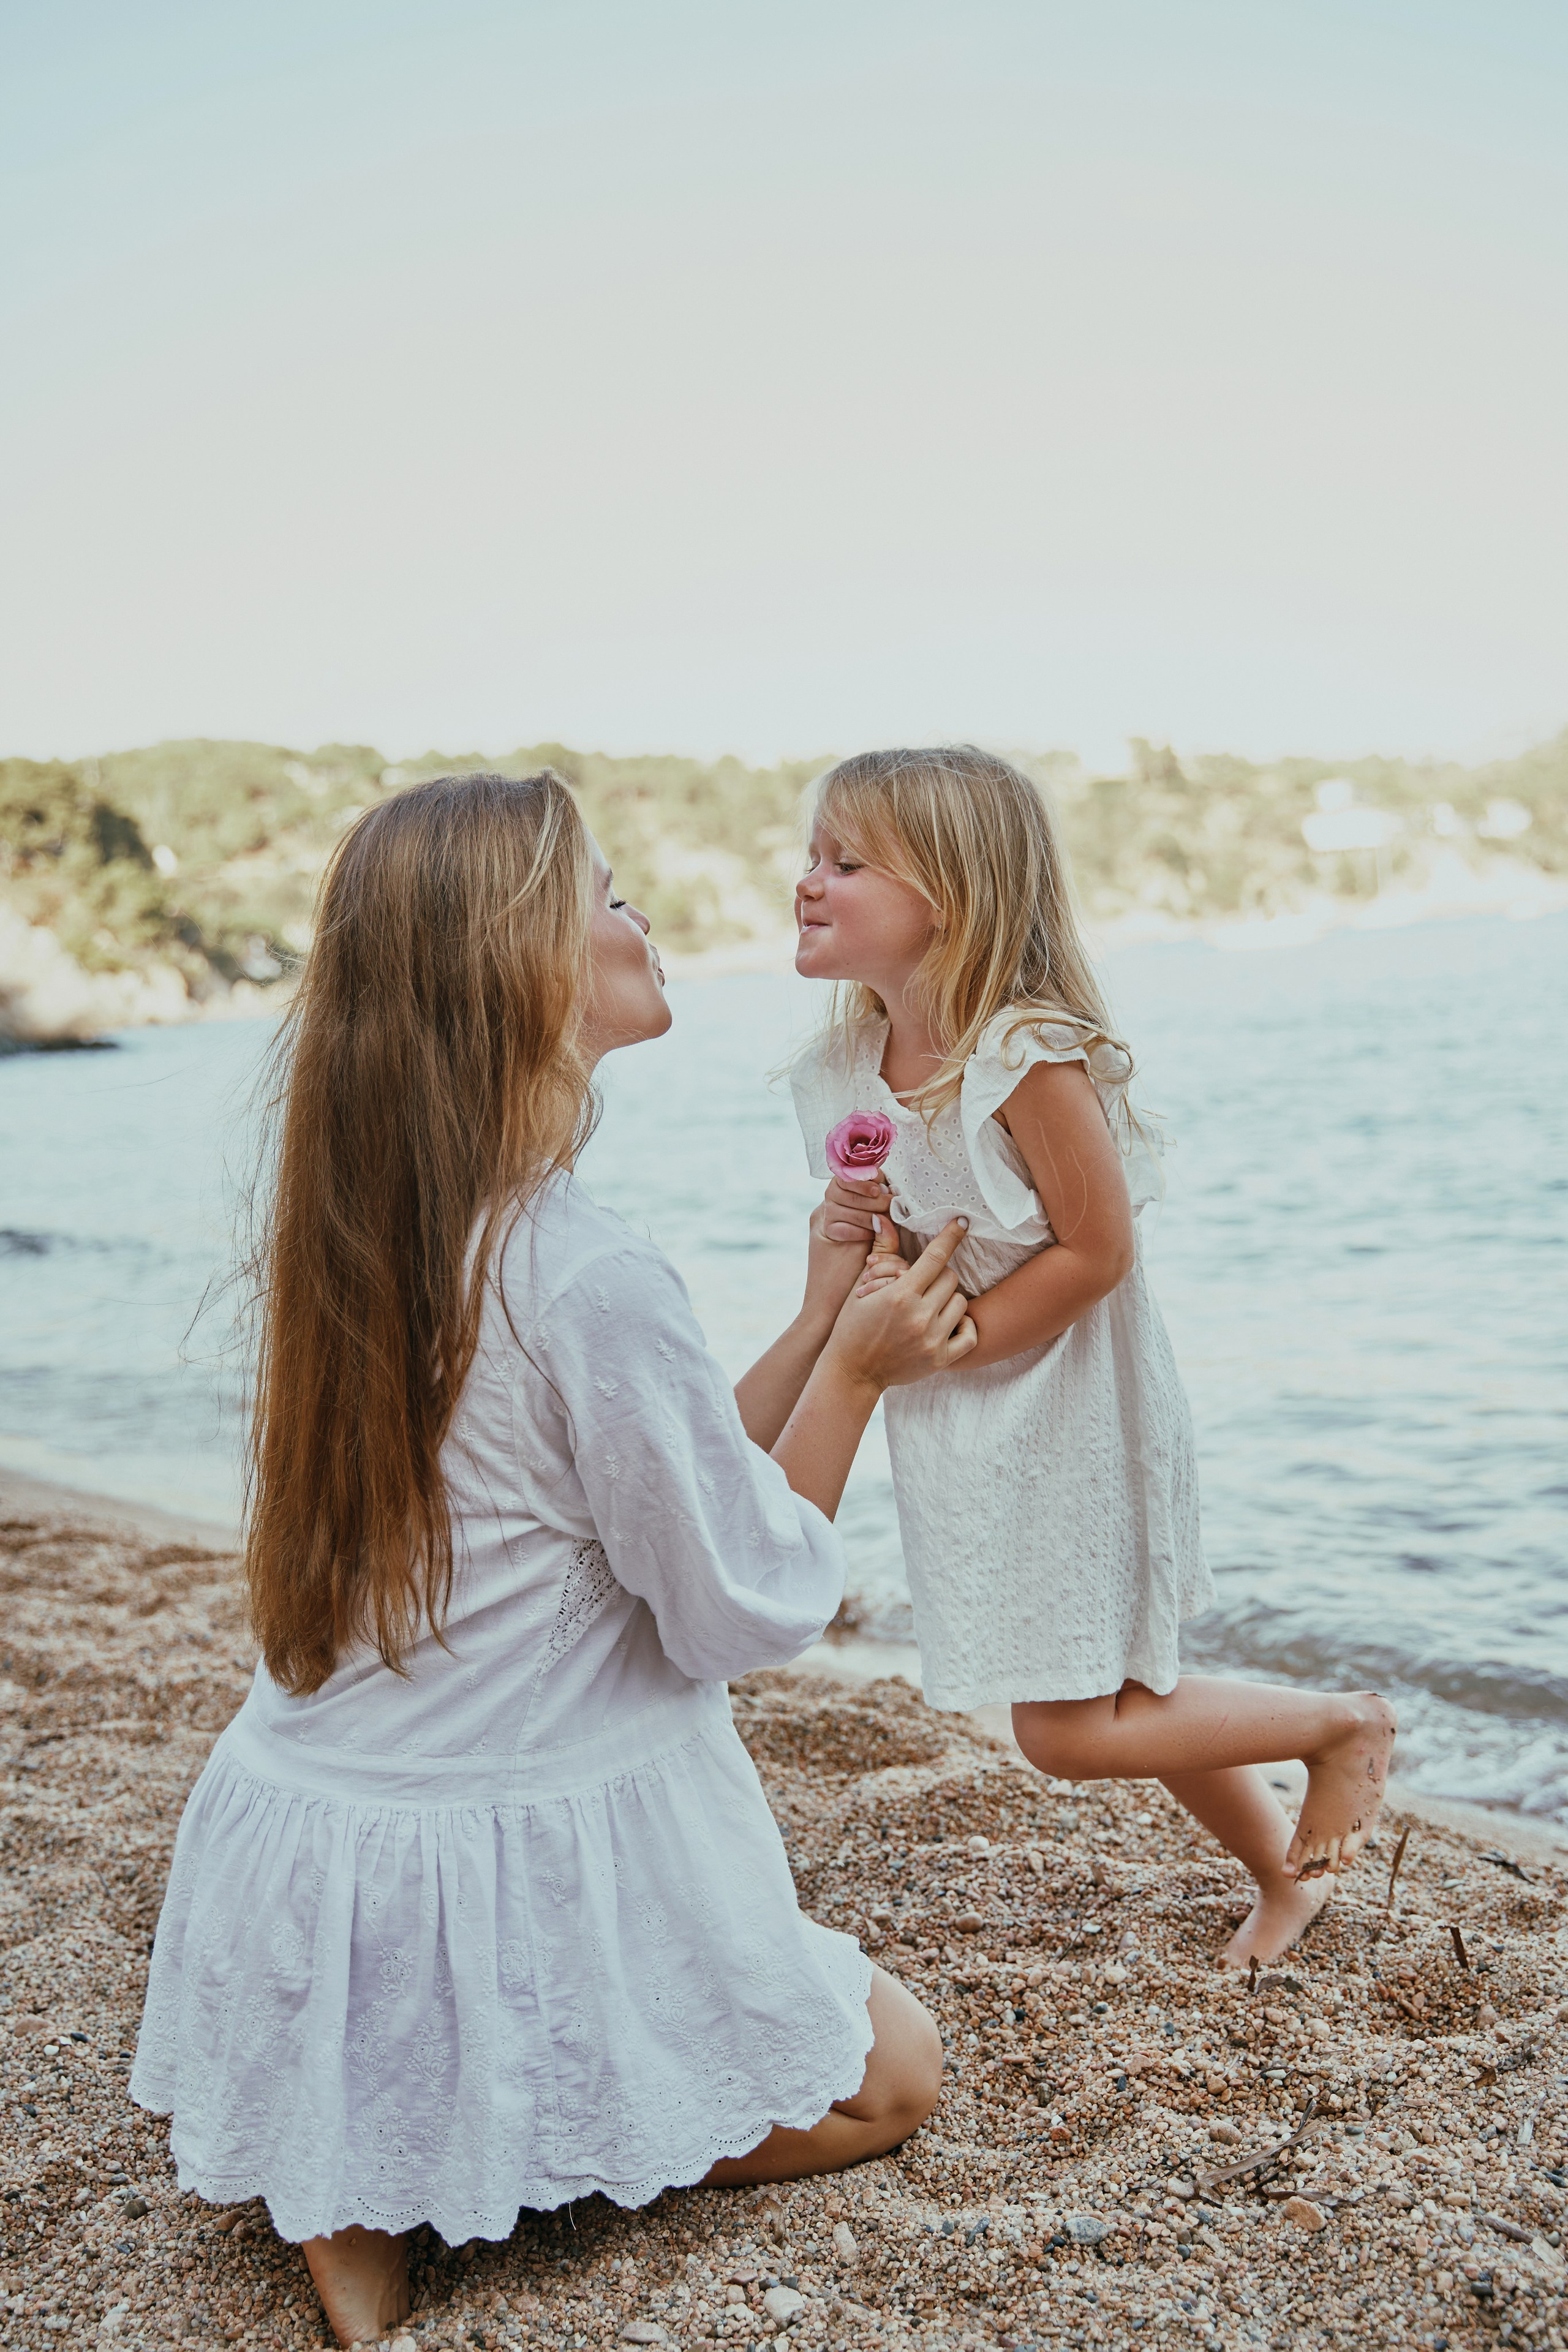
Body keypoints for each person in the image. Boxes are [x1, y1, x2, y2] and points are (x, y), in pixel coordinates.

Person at [130, 770, 978, 2347]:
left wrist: (806, 1321)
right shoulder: (583, 1268)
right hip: (489, 1858)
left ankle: (362, 2174)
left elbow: (604, 1507)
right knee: (892, 2068)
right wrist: (861, 1374)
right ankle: (486, 2143)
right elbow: (729, 1603)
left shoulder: (381, 1230)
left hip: (313, 1855)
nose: (635, 914)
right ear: (514, 966)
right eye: (603, 893)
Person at [790, 746, 1396, 1971]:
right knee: (1114, 1689)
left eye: (844, 862)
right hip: (959, 1412)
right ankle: (1284, 1875)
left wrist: (952, 1343)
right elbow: (912, 1234)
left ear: (946, 900)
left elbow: (1095, 1250)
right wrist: (865, 1251)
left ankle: (1340, 1723)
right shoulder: (845, 1065)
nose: (806, 881)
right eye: (809, 854)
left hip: (1062, 1399)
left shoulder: (1025, 1057)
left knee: (1065, 1727)